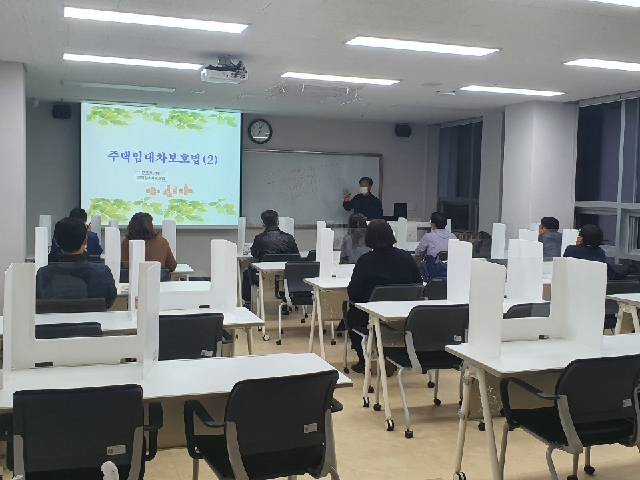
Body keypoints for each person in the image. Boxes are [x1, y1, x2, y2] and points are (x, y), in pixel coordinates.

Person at [345, 220, 423, 373]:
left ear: (368, 238)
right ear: (390, 235)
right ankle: (392, 355)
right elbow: (418, 286)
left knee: (352, 315)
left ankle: (363, 361)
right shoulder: (406, 257)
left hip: (370, 318)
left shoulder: (365, 261)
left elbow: (353, 292)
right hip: (404, 317)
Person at [36, 217, 117, 308]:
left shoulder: (43, 274)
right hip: (92, 317)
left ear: (56, 242)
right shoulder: (102, 273)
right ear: (86, 240)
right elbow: (109, 301)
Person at [242, 210, 300, 307]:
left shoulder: (259, 238)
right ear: (278, 222)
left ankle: (248, 303)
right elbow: (296, 255)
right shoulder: (289, 238)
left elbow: (254, 254)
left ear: (263, 224)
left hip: (264, 275)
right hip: (286, 275)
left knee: (246, 273)